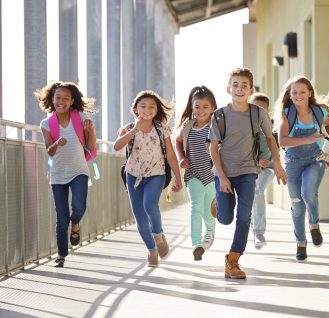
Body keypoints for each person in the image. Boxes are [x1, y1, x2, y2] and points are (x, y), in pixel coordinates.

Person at [209, 67, 287, 279]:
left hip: (248, 171)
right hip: (224, 171)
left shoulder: (258, 113)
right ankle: (219, 200)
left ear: (251, 90)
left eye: (244, 85)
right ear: (228, 88)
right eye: (236, 85)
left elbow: (271, 139)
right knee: (225, 218)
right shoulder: (220, 115)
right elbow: (212, 147)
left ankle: (233, 260)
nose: (240, 89)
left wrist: (278, 164)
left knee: (244, 215)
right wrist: (222, 177)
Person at [113, 90, 182, 267]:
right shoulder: (128, 128)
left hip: (156, 174)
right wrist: (135, 129)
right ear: (135, 109)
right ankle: (152, 250)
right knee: (140, 218)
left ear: (157, 109)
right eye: (142, 106)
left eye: (152, 106)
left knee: (149, 204)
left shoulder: (161, 128)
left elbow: (171, 156)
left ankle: (158, 235)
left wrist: (177, 177)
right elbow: (117, 146)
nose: (147, 109)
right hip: (133, 176)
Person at [276, 76, 329, 262]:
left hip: (316, 158)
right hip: (293, 162)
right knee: (296, 203)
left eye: (302, 92)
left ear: (310, 93)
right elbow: (282, 141)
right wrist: (308, 138)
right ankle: (301, 243)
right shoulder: (287, 114)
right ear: (290, 94)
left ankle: (314, 224)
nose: (298, 95)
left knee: (308, 192)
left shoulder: (319, 111)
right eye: (294, 92)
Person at [36, 81, 98, 268]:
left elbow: (92, 146)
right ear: (52, 99)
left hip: (79, 170)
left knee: (78, 207)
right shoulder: (46, 123)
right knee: (62, 218)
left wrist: (90, 131)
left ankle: (76, 224)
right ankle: (61, 255)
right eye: (58, 98)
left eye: (65, 98)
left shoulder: (80, 117)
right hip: (57, 174)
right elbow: (50, 151)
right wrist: (57, 143)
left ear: (72, 101)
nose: (61, 101)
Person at [175, 86, 217, 261]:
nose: (201, 111)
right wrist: (182, 157)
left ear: (213, 108)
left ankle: (210, 227)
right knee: (195, 208)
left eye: (205, 107)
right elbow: (178, 141)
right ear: (192, 108)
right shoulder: (188, 126)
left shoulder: (216, 126)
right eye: (197, 107)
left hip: (212, 175)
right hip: (193, 174)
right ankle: (196, 244)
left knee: (208, 212)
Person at [249, 92, 276, 249]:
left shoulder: (272, 126)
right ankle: (250, 223)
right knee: (249, 194)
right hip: (248, 167)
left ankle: (258, 232)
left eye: (263, 109)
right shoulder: (244, 125)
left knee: (258, 190)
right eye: (256, 108)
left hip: (268, 168)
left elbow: (274, 149)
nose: (260, 112)